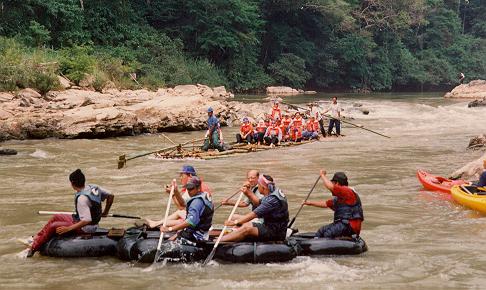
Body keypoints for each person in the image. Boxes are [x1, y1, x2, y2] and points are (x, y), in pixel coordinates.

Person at [26, 169, 114, 257]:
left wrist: (68, 228)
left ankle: (33, 248)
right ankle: (37, 237)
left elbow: (87, 220)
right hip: (83, 220)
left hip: (86, 228)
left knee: (53, 226)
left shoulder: (82, 199)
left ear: (72, 183)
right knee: (57, 216)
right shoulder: (94, 187)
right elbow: (111, 195)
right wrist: (105, 212)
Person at [220, 174, 289, 242]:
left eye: (258, 185)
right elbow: (258, 202)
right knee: (246, 225)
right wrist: (248, 192)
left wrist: (235, 222)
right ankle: (229, 237)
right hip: (268, 225)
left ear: (263, 187)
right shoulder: (272, 192)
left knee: (246, 228)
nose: (257, 187)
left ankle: (218, 241)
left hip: (275, 232)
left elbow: (253, 214)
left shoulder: (271, 200)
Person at [143, 165, 212, 228]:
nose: (180, 178)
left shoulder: (195, 189)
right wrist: (173, 194)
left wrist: (174, 193)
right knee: (179, 213)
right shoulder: (193, 187)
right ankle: (156, 223)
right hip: (197, 217)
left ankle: (157, 224)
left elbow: (182, 207)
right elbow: (182, 207)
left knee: (180, 218)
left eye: (182, 175)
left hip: (198, 220)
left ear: (190, 175)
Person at [303, 169, 363, 239]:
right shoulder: (340, 197)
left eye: (333, 183)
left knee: (328, 233)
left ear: (337, 183)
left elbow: (330, 187)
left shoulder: (347, 191)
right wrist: (309, 203)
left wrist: (322, 175)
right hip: (342, 224)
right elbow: (326, 204)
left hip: (350, 226)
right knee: (321, 231)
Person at [160, 176, 214, 242]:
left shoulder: (197, 202)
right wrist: (175, 191)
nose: (189, 191)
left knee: (168, 246)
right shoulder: (203, 195)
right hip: (199, 232)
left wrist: (170, 229)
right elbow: (182, 206)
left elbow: (190, 221)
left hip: (196, 236)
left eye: (191, 188)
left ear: (199, 188)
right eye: (187, 188)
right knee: (172, 238)